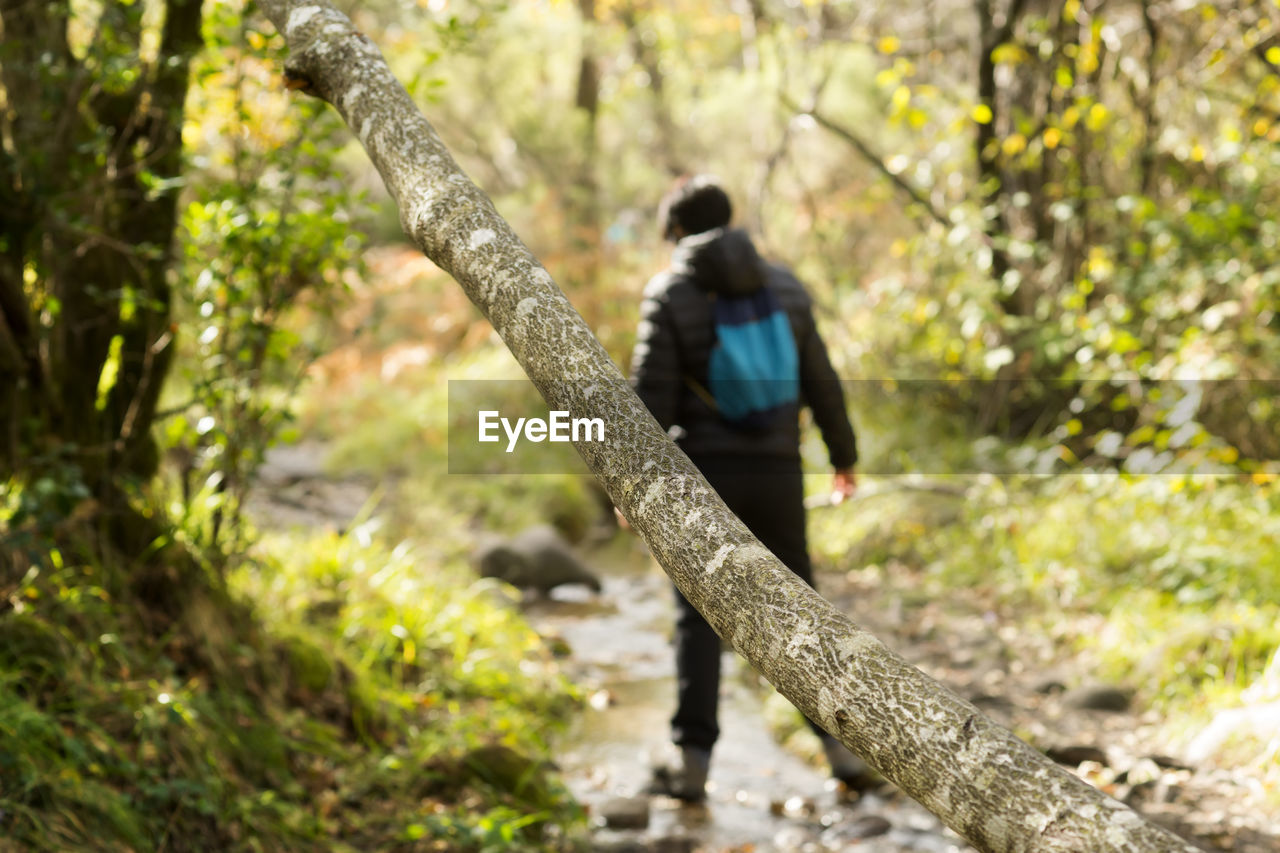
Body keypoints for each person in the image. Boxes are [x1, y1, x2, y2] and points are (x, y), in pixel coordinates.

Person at [628, 174, 873, 802]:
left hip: (703, 478)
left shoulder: (670, 293)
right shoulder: (784, 286)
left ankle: (693, 766)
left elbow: (649, 402)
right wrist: (842, 456)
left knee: (697, 618)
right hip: (778, 471)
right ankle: (839, 748)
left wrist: (631, 489)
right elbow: (821, 379)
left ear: (676, 231)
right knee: (799, 608)